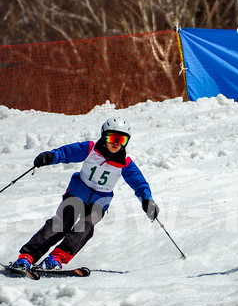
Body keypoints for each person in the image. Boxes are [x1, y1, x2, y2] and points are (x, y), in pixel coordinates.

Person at [9, 117, 158, 272]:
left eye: (121, 140)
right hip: (77, 193)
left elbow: (140, 184)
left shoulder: (125, 163)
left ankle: (57, 258)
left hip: (100, 201)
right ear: (104, 136)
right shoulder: (91, 149)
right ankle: (27, 257)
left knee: (87, 224)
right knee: (63, 222)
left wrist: (147, 200)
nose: (116, 143)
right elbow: (66, 153)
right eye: (112, 138)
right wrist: (50, 156)